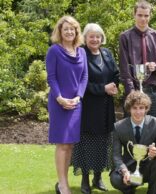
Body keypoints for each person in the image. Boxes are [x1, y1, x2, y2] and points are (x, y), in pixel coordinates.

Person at [71, 23, 119, 194]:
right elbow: (80, 81)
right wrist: (102, 88)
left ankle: (98, 178)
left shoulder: (106, 53)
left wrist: (115, 86)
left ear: (102, 38)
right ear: (85, 37)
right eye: (91, 36)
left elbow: (115, 73)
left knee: (103, 144)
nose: (95, 39)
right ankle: (85, 180)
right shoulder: (80, 53)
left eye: (98, 36)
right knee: (86, 144)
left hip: (106, 108)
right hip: (88, 107)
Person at [46, 16, 88, 194]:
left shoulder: (82, 52)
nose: (70, 32)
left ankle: (63, 183)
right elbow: (51, 77)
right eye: (66, 29)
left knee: (70, 144)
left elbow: (84, 77)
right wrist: (60, 98)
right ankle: (63, 185)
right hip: (59, 103)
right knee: (62, 144)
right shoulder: (54, 51)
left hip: (75, 104)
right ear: (60, 32)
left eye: (73, 29)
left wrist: (78, 97)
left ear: (76, 31)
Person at [119, 0, 156, 119]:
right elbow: (124, 67)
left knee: (154, 128)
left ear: (150, 16)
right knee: (132, 132)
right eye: (140, 15)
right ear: (134, 15)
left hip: (153, 91)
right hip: (133, 90)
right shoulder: (125, 37)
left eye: (146, 15)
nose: (143, 19)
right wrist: (131, 92)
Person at [110, 91, 156, 194]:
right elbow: (116, 155)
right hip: (128, 167)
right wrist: (124, 171)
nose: (138, 112)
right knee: (116, 179)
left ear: (146, 109)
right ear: (129, 109)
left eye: (141, 108)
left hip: (148, 167)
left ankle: (153, 191)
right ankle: (129, 189)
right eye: (134, 108)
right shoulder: (118, 127)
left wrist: (155, 151)